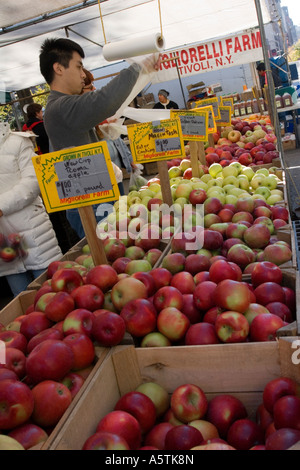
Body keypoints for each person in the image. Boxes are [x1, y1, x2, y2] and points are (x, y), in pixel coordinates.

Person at [39, 38, 160, 239]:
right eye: (78, 66)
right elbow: (104, 100)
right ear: (58, 68)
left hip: (94, 196)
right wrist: (137, 67)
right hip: (89, 206)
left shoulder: (60, 106)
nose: (82, 75)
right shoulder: (60, 107)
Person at [0, 122, 62, 297]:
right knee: (22, 300)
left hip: (32, 231)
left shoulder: (18, 142)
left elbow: (32, 183)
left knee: (52, 291)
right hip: (3, 239)